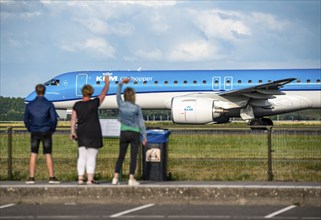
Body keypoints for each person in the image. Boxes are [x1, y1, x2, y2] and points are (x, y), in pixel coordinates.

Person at [70, 76, 110, 185]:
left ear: (82, 93)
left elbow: (73, 119)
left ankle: (80, 178)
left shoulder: (77, 105)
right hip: (94, 132)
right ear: (91, 93)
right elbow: (103, 94)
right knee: (91, 156)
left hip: (82, 132)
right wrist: (107, 84)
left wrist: (73, 131)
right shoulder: (94, 103)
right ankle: (90, 179)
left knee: (82, 156)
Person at [112, 78, 147, 186]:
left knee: (121, 156)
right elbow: (141, 122)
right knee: (133, 157)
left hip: (124, 132)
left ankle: (115, 178)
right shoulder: (137, 108)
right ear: (133, 96)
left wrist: (121, 83)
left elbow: (117, 95)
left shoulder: (121, 105)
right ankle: (131, 179)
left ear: (125, 96)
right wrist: (144, 136)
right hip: (134, 133)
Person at [24, 84, 59, 184]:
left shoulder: (30, 105)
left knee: (33, 153)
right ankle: (51, 177)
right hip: (46, 131)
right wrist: (52, 129)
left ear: (36, 91)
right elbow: (54, 119)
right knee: (47, 153)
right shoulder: (49, 104)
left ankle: (31, 177)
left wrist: (30, 128)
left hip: (34, 131)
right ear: (44, 91)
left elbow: (26, 119)